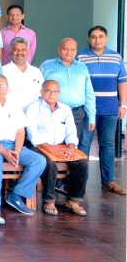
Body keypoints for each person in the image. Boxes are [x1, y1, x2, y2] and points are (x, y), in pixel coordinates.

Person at [0, 74, 46, 215]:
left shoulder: (14, 105)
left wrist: (17, 150)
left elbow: (20, 130)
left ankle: (16, 196)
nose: (0, 88)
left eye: (4, 85)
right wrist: (3, 152)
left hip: (13, 145)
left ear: (8, 87)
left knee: (39, 160)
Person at [25, 80, 89, 215]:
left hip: (62, 147)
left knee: (81, 163)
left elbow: (72, 131)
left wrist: (71, 148)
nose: (52, 94)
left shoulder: (65, 109)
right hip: (40, 146)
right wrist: (52, 149)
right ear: (41, 92)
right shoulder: (33, 108)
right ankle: (49, 201)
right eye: (48, 90)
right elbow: (33, 134)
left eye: (55, 91)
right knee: (50, 163)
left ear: (59, 93)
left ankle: (73, 200)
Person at [76, 26, 127, 194]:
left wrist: (123, 105)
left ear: (106, 38)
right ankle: (80, 181)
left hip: (110, 108)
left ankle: (108, 181)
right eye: (93, 37)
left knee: (108, 145)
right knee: (83, 144)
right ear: (89, 39)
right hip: (87, 109)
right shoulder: (80, 56)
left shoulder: (116, 57)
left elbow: (122, 82)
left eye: (100, 36)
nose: (97, 40)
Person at [40, 38, 96, 158]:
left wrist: (91, 117)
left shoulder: (82, 67)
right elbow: (38, 90)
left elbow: (89, 94)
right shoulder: (47, 65)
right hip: (53, 112)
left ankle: (72, 176)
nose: (68, 52)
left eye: (72, 49)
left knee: (73, 146)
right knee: (55, 144)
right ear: (59, 50)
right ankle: (57, 176)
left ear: (76, 52)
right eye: (65, 49)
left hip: (77, 113)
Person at [2, 37, 43, 111]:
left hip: (33, 116)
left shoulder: (36, 72)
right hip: (11, 115)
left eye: (23, 49)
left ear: (28, 52)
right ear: (10, 52)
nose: (20, 52)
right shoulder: (2, 71)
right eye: (16, 49)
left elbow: (41, 95)